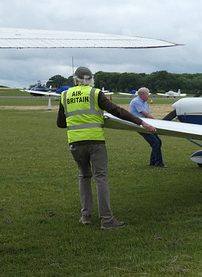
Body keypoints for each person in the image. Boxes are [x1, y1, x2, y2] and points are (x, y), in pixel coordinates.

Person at [57, 66, 156, 229]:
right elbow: (116, 110)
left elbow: (61, 123)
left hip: (75, 142)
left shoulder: (64, 95)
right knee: (101, 178)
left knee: (84, 177)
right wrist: (141, 122)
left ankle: (86, 216)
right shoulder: (95, 93)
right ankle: (107, 219)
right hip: (95, 142)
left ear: (75, 80)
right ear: (91, 79)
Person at [129, 87, 167, 168]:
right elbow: (146, 114)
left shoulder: (143, 102)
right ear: (142, 95)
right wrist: (158, 121)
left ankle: (153, 162)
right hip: (140, 125)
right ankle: (159, 163)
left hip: (147, 124)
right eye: (147, 94)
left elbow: (147, 114)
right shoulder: (136, 102)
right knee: (155, 142)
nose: (148, 96)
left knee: (158, 142)